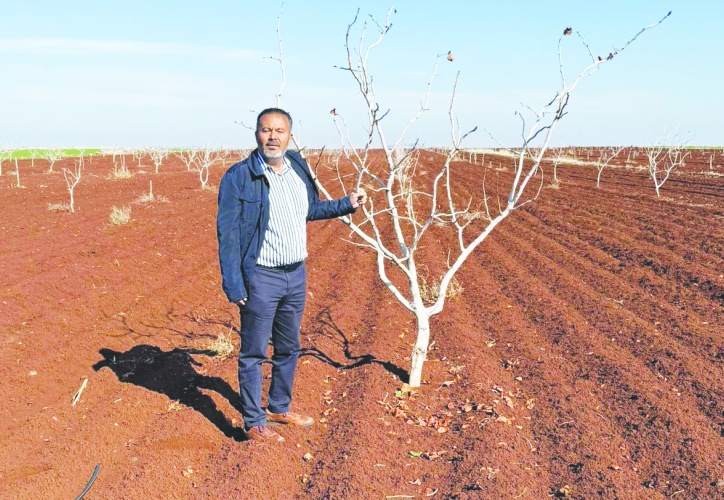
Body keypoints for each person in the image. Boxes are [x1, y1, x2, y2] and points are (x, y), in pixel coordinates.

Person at [217, 108, 367, 442]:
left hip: (296, 274)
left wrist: (347, 203)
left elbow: (309, 210)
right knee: (254, 352)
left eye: (279, 131)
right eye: (266, 130)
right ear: (256, 134)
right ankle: (254, 421)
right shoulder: (239, 177)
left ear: (290, 135)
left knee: (288, 346)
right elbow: (227, 234)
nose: (272, 137)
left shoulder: (298, 165)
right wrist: (234, 283)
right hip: (261, 276)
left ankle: (278, 407)